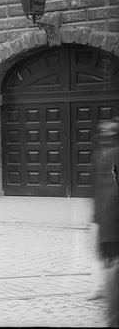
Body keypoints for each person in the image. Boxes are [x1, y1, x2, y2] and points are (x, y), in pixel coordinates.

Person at [88, 118, 119, 327]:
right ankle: (104, 289)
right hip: (105, 211)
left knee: (110, 257)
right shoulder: (100, 154)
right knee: (108, 256)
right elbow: (96, 185)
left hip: (111, 213)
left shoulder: (110, 153)